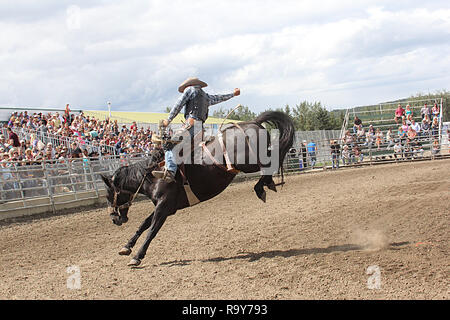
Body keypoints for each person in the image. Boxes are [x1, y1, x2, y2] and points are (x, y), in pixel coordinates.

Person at [152, 77, 240, 182]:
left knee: (169, 144)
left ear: (189, 85)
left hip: (191, 125)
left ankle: (170, 171)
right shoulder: (206, 97)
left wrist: (168, 120)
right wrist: (233, 94)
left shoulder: (190, 90)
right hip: (200, 129)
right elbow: (220, 97)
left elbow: (178, 105)